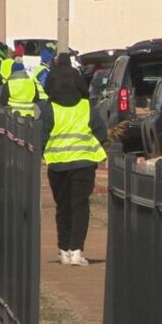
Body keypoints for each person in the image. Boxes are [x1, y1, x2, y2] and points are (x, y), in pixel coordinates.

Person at [39, 56, 108, 267]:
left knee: (63, 207)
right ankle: (77, 251)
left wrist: (41, 153)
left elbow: (41, 136)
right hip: (84, 164)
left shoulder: (49, 110)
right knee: (80, 206)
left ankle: (64, 250)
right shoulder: (86, 107)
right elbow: (101, 131)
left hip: (57, 165)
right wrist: (90, 145)